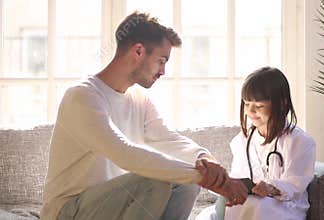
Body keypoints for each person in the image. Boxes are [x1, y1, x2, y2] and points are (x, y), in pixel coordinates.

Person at [41, 12, 248, 220]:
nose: (163, 71)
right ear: (138, 51)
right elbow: (125, 153)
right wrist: (208, 179)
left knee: (187, 184)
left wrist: (202, 159)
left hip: (115, 206)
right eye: (161, 61)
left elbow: (169, 140)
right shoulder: (83, 96)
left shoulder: (138, 99)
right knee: (154, 180)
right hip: (68, 211)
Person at [197, 67, 316, 220]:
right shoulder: (242, 140)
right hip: (250, 203)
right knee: (210, 215)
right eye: (246, 104)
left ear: (281, 103)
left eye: (259, 106)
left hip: (285, 208)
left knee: (256, 207)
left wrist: (271, 188)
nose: (250, 111)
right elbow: (238, 177)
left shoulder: (301, 142)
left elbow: (295, 185)